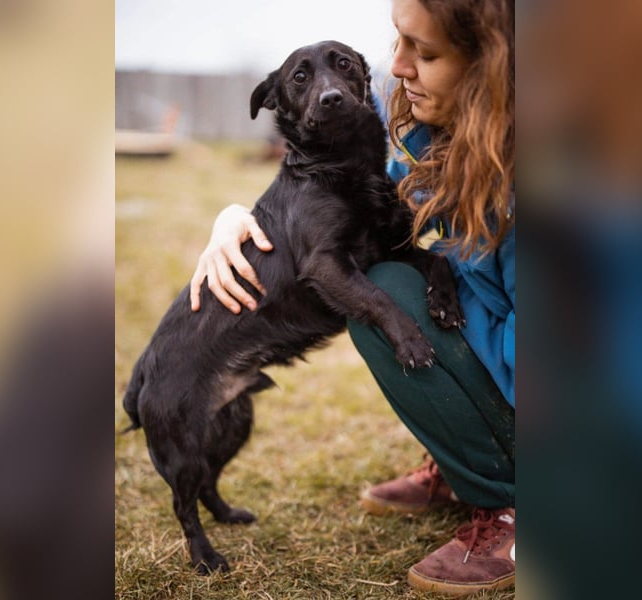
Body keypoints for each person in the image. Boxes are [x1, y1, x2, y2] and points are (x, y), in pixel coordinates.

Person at [189, 0, 514, 595]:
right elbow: (331, 214)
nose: (399, 66)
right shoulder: (414, 137)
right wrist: (235, 215)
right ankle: (466, 458)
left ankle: (519, 501)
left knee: (386, 298)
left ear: (491, 62)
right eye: (398, 43)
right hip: (489, 347)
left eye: (426, 51)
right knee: (385, 291)